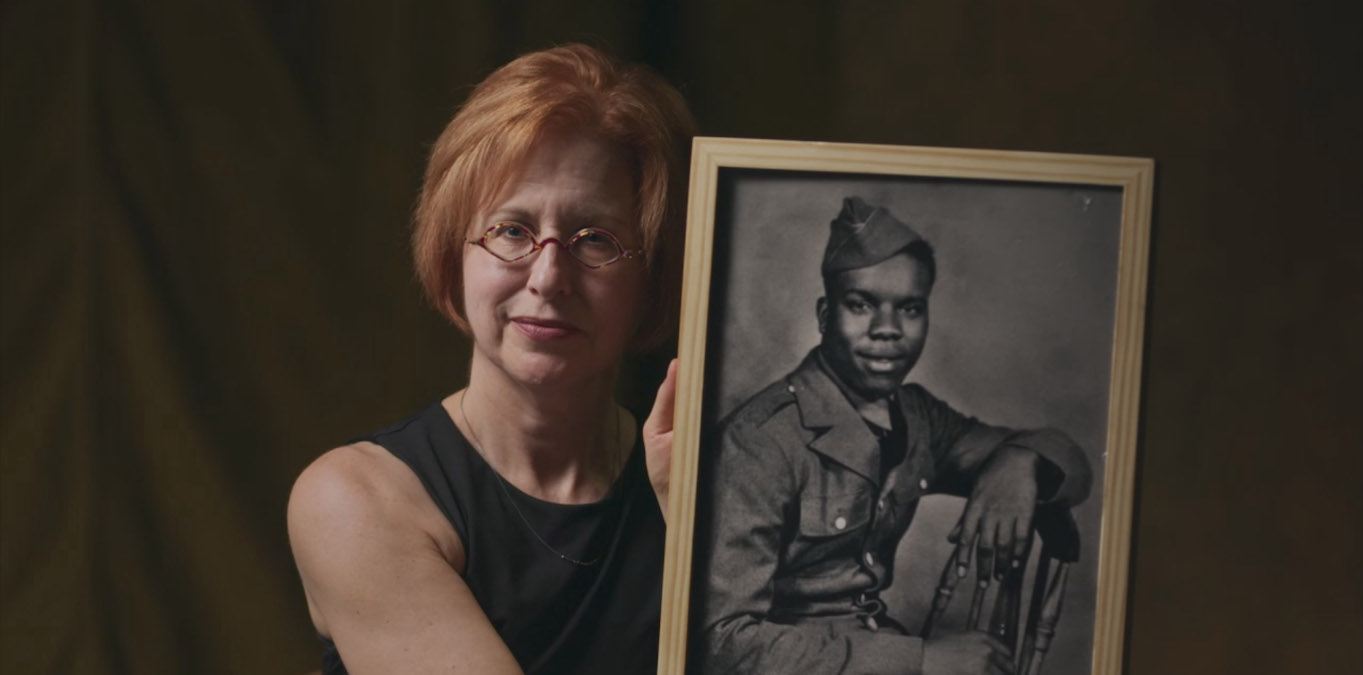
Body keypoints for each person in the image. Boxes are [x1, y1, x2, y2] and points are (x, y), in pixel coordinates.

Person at [287, 44, 695, 674]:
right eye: (512, 230)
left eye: (597, 240)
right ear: (457, 254)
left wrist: (695, 521)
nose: (549, 276)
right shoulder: (355, 500)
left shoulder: (699, 489)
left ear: (655, 277)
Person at [695, 197, 1093, 675]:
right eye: (861, 305)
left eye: (909, 308)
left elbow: (1073, 465)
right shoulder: (759, 442)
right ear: (825, 316)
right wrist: (919, 661)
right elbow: (722, 642)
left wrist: (1022, 462)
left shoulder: (917, 416)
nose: (888, 331)